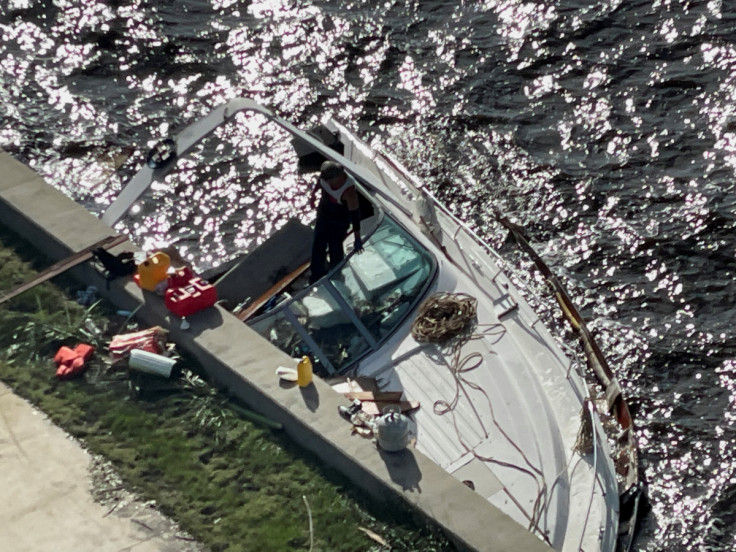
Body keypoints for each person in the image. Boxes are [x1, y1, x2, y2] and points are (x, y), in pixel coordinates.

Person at [309, 161, 363, 282]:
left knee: (335, 247)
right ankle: (316, 275)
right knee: (318, 244)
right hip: (324, 210)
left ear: (337, 177)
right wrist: (313, 195)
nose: (327, 182)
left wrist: (357, 238)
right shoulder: (326, 176)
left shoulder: (349, 192)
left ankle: (337, 275)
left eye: (329, 180)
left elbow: (355, 216)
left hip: (339, 217)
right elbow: (320, 182)